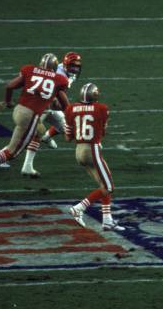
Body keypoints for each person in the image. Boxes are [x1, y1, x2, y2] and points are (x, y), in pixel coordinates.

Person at [0, 53, 69, 183]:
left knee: (40, 131)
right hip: (30, 116)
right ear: (55, 67)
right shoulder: (59, 79)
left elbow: (9, 86)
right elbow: (65, 106)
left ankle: (28, 166)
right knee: (13, 151)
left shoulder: (30, 70)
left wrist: (8, 102)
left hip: (18, 110)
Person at [66, 83, 124, 231]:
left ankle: (107, 220)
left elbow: (68, 137)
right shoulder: (101, 108)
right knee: (109, 186)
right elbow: (103, 131)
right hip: (92, 150)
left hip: (78, 150)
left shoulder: (71, 108)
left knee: (103, 185)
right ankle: (79, 208)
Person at [20, 51, 82, 177]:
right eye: (72, 66)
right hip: (38, 105)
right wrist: (63, 106)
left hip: (47, 103)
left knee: (63, 125)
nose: (75, 69)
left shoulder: (67, 73)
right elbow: (52, 97)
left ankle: (46, 137)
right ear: (64, 65)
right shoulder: (59, 75)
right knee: (23, 139)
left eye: (77, 66)